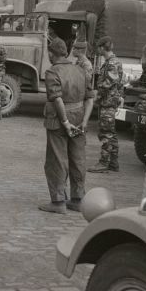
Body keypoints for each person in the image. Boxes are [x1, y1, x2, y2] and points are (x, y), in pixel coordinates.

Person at [39, 38, 95, 214]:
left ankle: (58, 202)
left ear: (51, 53)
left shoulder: (52, 72)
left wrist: (65, 122)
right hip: (79, 118)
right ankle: (77, 199)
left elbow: (57, 99)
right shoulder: (80, 70)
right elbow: (90, 98)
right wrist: (84, 122)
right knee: (78, 159)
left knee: (57, 159)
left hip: (59, 120)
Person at [88, 37, 124, 173]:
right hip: (109, 102)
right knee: (111, 133)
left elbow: (108, 83)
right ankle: (113, 163)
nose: (98, 50)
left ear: (103, 48)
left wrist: (98, 96)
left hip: (108, 102)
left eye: (99, 47)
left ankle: (104, 163)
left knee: (106, 133)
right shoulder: (112, 62)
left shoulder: (112, 63)